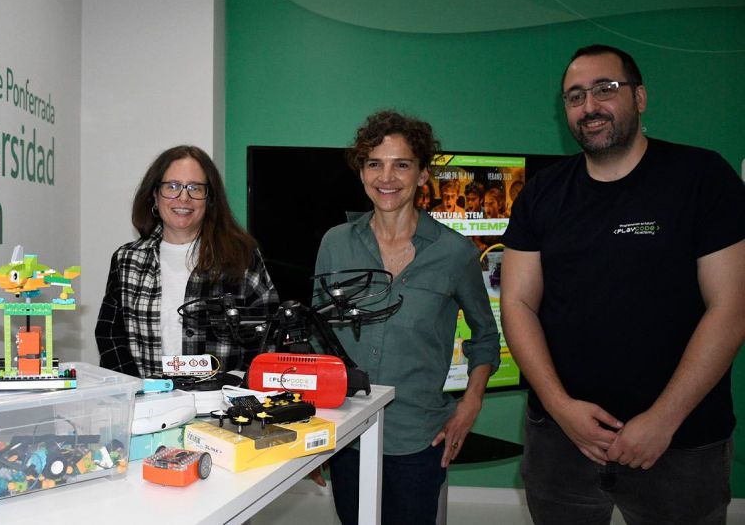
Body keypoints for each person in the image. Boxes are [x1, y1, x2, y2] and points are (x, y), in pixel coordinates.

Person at [501, 44, 745, 525]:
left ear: (640, 97)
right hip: (561, 441)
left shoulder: (702, 177)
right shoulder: (541, 193)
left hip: (678, 443)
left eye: (605, 89)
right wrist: (561, 408)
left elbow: (731, 306)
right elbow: (518, 304)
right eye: (575, 96)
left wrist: (663, 419)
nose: (589, 106)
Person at [315, 110, 501, 524]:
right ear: (361, 172)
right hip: (347, 434)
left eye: (401, 164)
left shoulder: (455, 253)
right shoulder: (335, 244)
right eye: (374, 164)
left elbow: (486, 336)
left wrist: (470, 405)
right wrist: (314, 426)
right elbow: (317, 338)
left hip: (418, 440)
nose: (387, 177)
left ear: (422, 174)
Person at [95, 145, 279, 378]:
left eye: (195, 188)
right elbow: (110, 335)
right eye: (172, 186)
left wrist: (236, 389)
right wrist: (135, 389)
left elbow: (268, 337)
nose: (184, 197)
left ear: (209, 199)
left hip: (221, 398)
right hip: (147, 397)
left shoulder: (241, 257)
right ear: (154, 195)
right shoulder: (127, 260)